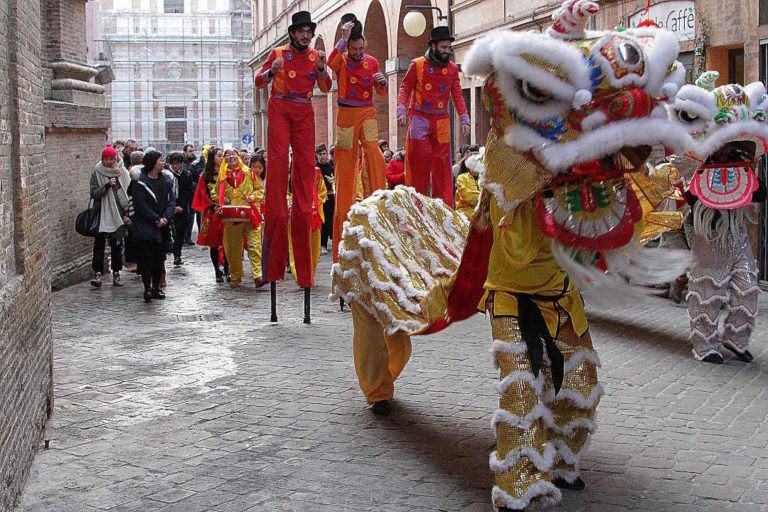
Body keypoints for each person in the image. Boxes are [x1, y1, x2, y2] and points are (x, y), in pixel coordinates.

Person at [255, 10, 332, 288]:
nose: (305, 35)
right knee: (277, 162)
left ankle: (302, 211)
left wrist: (323, 68)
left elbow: (326, 85)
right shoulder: (277, 52)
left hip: (304, 108)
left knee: (304, 165)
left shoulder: (314, 57)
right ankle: (275, 210)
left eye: (308, 31)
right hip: (280, 105)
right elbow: (259, 81)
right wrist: (271, 71)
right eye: (301, 31)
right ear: (292, 33)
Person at [327, 13, 388, 262]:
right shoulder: (341, 58)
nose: (357, 51)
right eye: (353, 48)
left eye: (360, 47)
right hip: (345, 114)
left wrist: (382, 83)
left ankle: (378, 193)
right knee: (345, 160)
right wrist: (341, 41)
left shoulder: (372, 61)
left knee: (373, 149)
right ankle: (343, 205)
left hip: (367, 111)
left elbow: (381, 92)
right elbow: (330, 63)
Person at [397, 26, 470, 206]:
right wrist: (401, 109)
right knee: (418, 168)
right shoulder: (417, 64)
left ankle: (443, 211)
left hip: (441, 120)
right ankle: (417, 209)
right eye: (444, 47)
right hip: (420, 118)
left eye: (449, 48)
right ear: (434, 46)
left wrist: (464, 118)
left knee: (443, 170)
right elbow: (405, 88)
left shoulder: (452, 69)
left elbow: (457, 95)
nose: (447, 51)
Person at [215, 148, 265, 289]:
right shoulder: (222, 177)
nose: (231, 157)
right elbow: (215, 192)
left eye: (234, 155)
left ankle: (258, 276)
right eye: (228, 155)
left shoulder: (249, 173)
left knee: (255, 245)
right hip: (231, 218)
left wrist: (253, 197)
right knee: (233, 249)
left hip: (250, 215)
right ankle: (236, 276)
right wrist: (222, 199)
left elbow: (260, 190)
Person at [131, 150, 175, 302]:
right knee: (146, 259)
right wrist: (156, 219)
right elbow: (140, 205)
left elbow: (171, 201)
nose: (163, 163)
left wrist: (166, 217)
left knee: (159, 259)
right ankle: (147, 288)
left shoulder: (165, 180)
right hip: (146, 227)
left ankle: (156, 287)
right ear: (152, 162)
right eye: (160, 160)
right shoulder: (140, 182)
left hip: (162, 227)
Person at [89, 146, 132, 288]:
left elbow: (127, 194)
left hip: (118, 214)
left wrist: (127, 214)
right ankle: (98, 273)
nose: (108, 162)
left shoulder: (123, 173)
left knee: (116, 245)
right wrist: (107, 186)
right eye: (106, 159)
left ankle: (116, 273)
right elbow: (94, 193)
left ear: (115, 159)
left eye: (111, 159)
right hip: (102, 214)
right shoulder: (97, 172)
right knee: (99, 245)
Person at [191, 146, 230, 283]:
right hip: (212, 211)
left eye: (222, 156)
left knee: (227, 241)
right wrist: (213, 205)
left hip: (226, 210)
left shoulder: (227, 172)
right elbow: (203, 192)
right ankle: (217, 270)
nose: (221, 158)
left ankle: (227, 268)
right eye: (219, 155)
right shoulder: (205, 175)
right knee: (214, 242)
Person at [289, 166, 327, 283]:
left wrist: (315, 203)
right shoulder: (290, 172)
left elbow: (322, 191)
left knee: (314, 246)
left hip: (314, 214)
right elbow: (287, 193)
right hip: (295, 213)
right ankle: (299, 276)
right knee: (295, 245)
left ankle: (309, 274)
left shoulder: (316, 172)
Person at [167, 152, 193, 266]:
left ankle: (178, 254)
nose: (175, 166)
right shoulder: (166, 175)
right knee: (171, 231)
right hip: (169, 205)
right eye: (173, 164)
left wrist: (181, 206)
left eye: (177, 164)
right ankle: (173, 252)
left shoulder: (186, 174)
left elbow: (188, 192)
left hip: (181, 206)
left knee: (180, 231)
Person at [315, 144, 335, 254]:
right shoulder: (315, 168)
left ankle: (324, 244)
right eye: (320, 154)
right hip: (318, 198)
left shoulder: (331, 167)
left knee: (328, 221)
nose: (323, 156)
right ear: (317, 155)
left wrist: (334, 180)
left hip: (330, 196)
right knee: (319, 221)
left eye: (324, 154)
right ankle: (319, 243)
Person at [454, 145, 481, 219]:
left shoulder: (484, 179)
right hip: (464, 215)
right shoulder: (461, 178)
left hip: (481, 214)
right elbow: (467, 196)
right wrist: (483, 196)